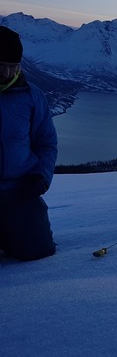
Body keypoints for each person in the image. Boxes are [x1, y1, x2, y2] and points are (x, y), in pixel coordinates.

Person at [0, 26, 58, 261]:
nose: (7, 73)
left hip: (18, 191)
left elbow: (46, 143)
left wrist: (40, 176)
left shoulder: (31, 96)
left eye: (13, 66)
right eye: (0, 66)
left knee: (38, 250)